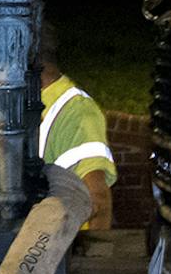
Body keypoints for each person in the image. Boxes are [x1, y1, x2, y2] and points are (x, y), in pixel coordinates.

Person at [38, 24, 115, 230]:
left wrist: (90, 258)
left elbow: (98, 202)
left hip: (60, 252)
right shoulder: (16, 103)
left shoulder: (76, 112)